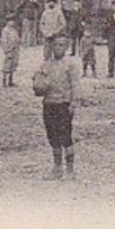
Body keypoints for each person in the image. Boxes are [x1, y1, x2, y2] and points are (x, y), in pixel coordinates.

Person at [33, 38, 78, 179]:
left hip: (63, 103)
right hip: (49, 103)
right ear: (51, 47)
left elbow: (75, 85)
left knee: (66, 136)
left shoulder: (70, 65)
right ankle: (57, 168)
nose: (58, 48)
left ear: (67, 47)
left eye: (62, 45)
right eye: (56, 45)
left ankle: (70, 170)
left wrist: (73, 102)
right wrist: (38, 84)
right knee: (52, 136)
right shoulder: (46, 65)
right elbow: (38, 86)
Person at [0, 16, 21, 88]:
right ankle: (4, 80)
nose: (12, 23)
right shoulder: (5, 30)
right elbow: (4, 41)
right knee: (7, 65)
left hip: (15, 49)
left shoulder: (14, 30)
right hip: (9, 49)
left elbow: (17, 38)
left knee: (13, 64)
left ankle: (10, 80)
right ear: (7, 22)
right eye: (10, 21)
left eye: (13, 21)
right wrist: (7, 50)